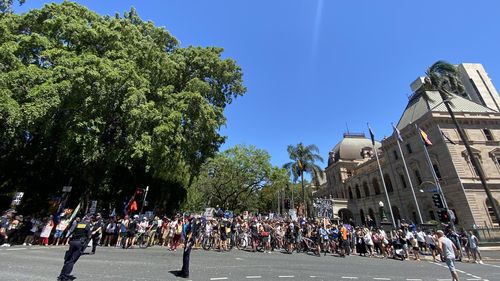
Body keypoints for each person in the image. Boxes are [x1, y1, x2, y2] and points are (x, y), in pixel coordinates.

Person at [57, 216, 92, 281]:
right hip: (80, 242)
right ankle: (65, 277)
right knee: (72, 261)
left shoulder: (78, 224)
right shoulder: (87, 225)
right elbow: (89, 235)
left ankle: (61, 275)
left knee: (68, 259)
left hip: (73, 241)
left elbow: (72, 231)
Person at [177, 214, 198, 279]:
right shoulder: (191, 220)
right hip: (188, 239)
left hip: (190, 240)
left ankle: (186, 273)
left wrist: (187, 241)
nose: (186, 217)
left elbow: (191, 232)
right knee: (185, 255)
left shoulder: (192, 221)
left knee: (186, 256)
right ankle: (183, 270)